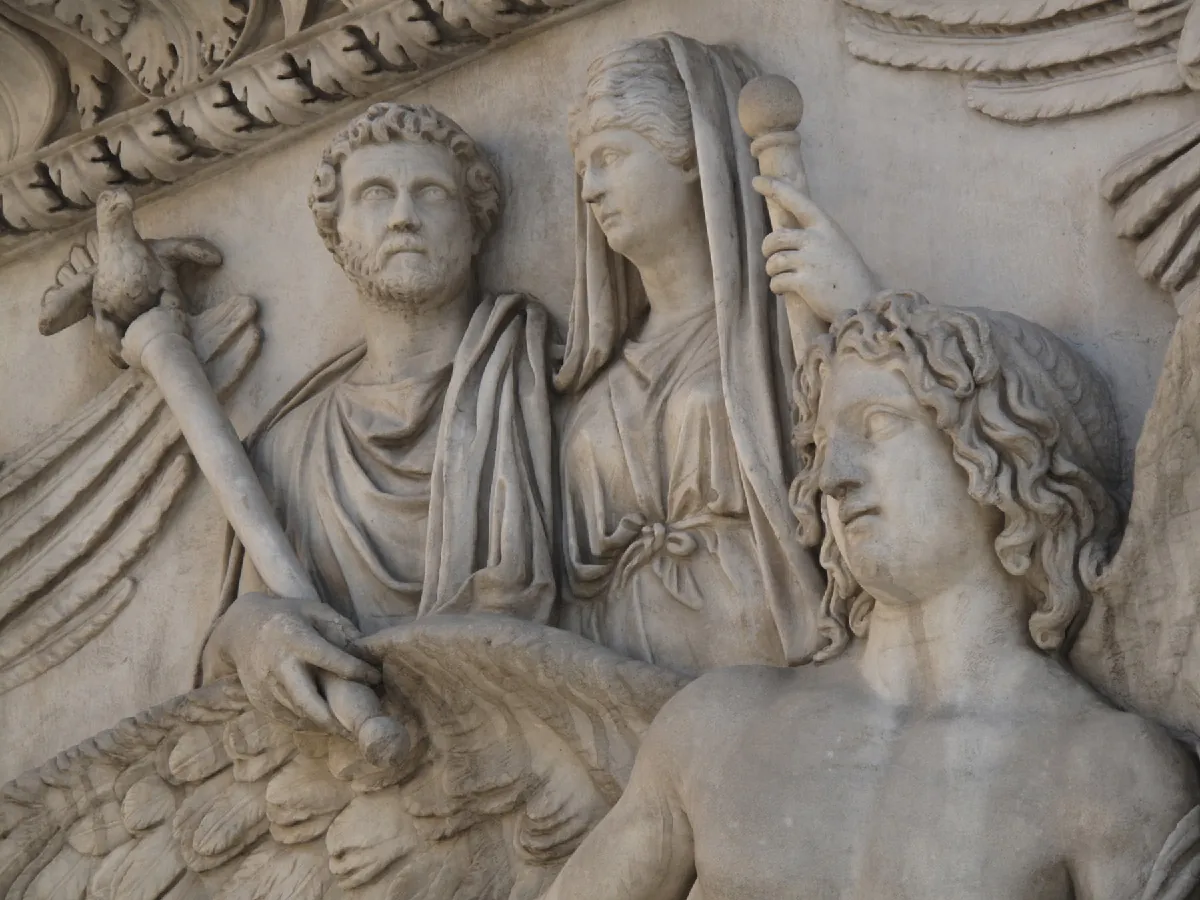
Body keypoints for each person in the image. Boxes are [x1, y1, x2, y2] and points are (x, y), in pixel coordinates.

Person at [540, 291, 1200, 900]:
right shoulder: (714, 728)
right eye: (822, 444)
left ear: (1005, 457)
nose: (831, 475)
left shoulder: (1108, 776)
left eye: (877, 425)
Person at [201, 103, 555, 733]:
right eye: (375, 194)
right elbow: (242, 634)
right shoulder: (289, 447)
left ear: (476, 225)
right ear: (336, 235)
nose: (403, 216)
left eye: (431, 193)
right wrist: (252, 630)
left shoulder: (543, 384)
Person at [555, 34, 831, 673]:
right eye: (583, 168)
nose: (591, 189)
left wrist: (852, 299)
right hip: (629, 698)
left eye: (611, 156)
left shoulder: (777, 333)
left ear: (691, 156)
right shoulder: (593, 386)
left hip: (764, 679)